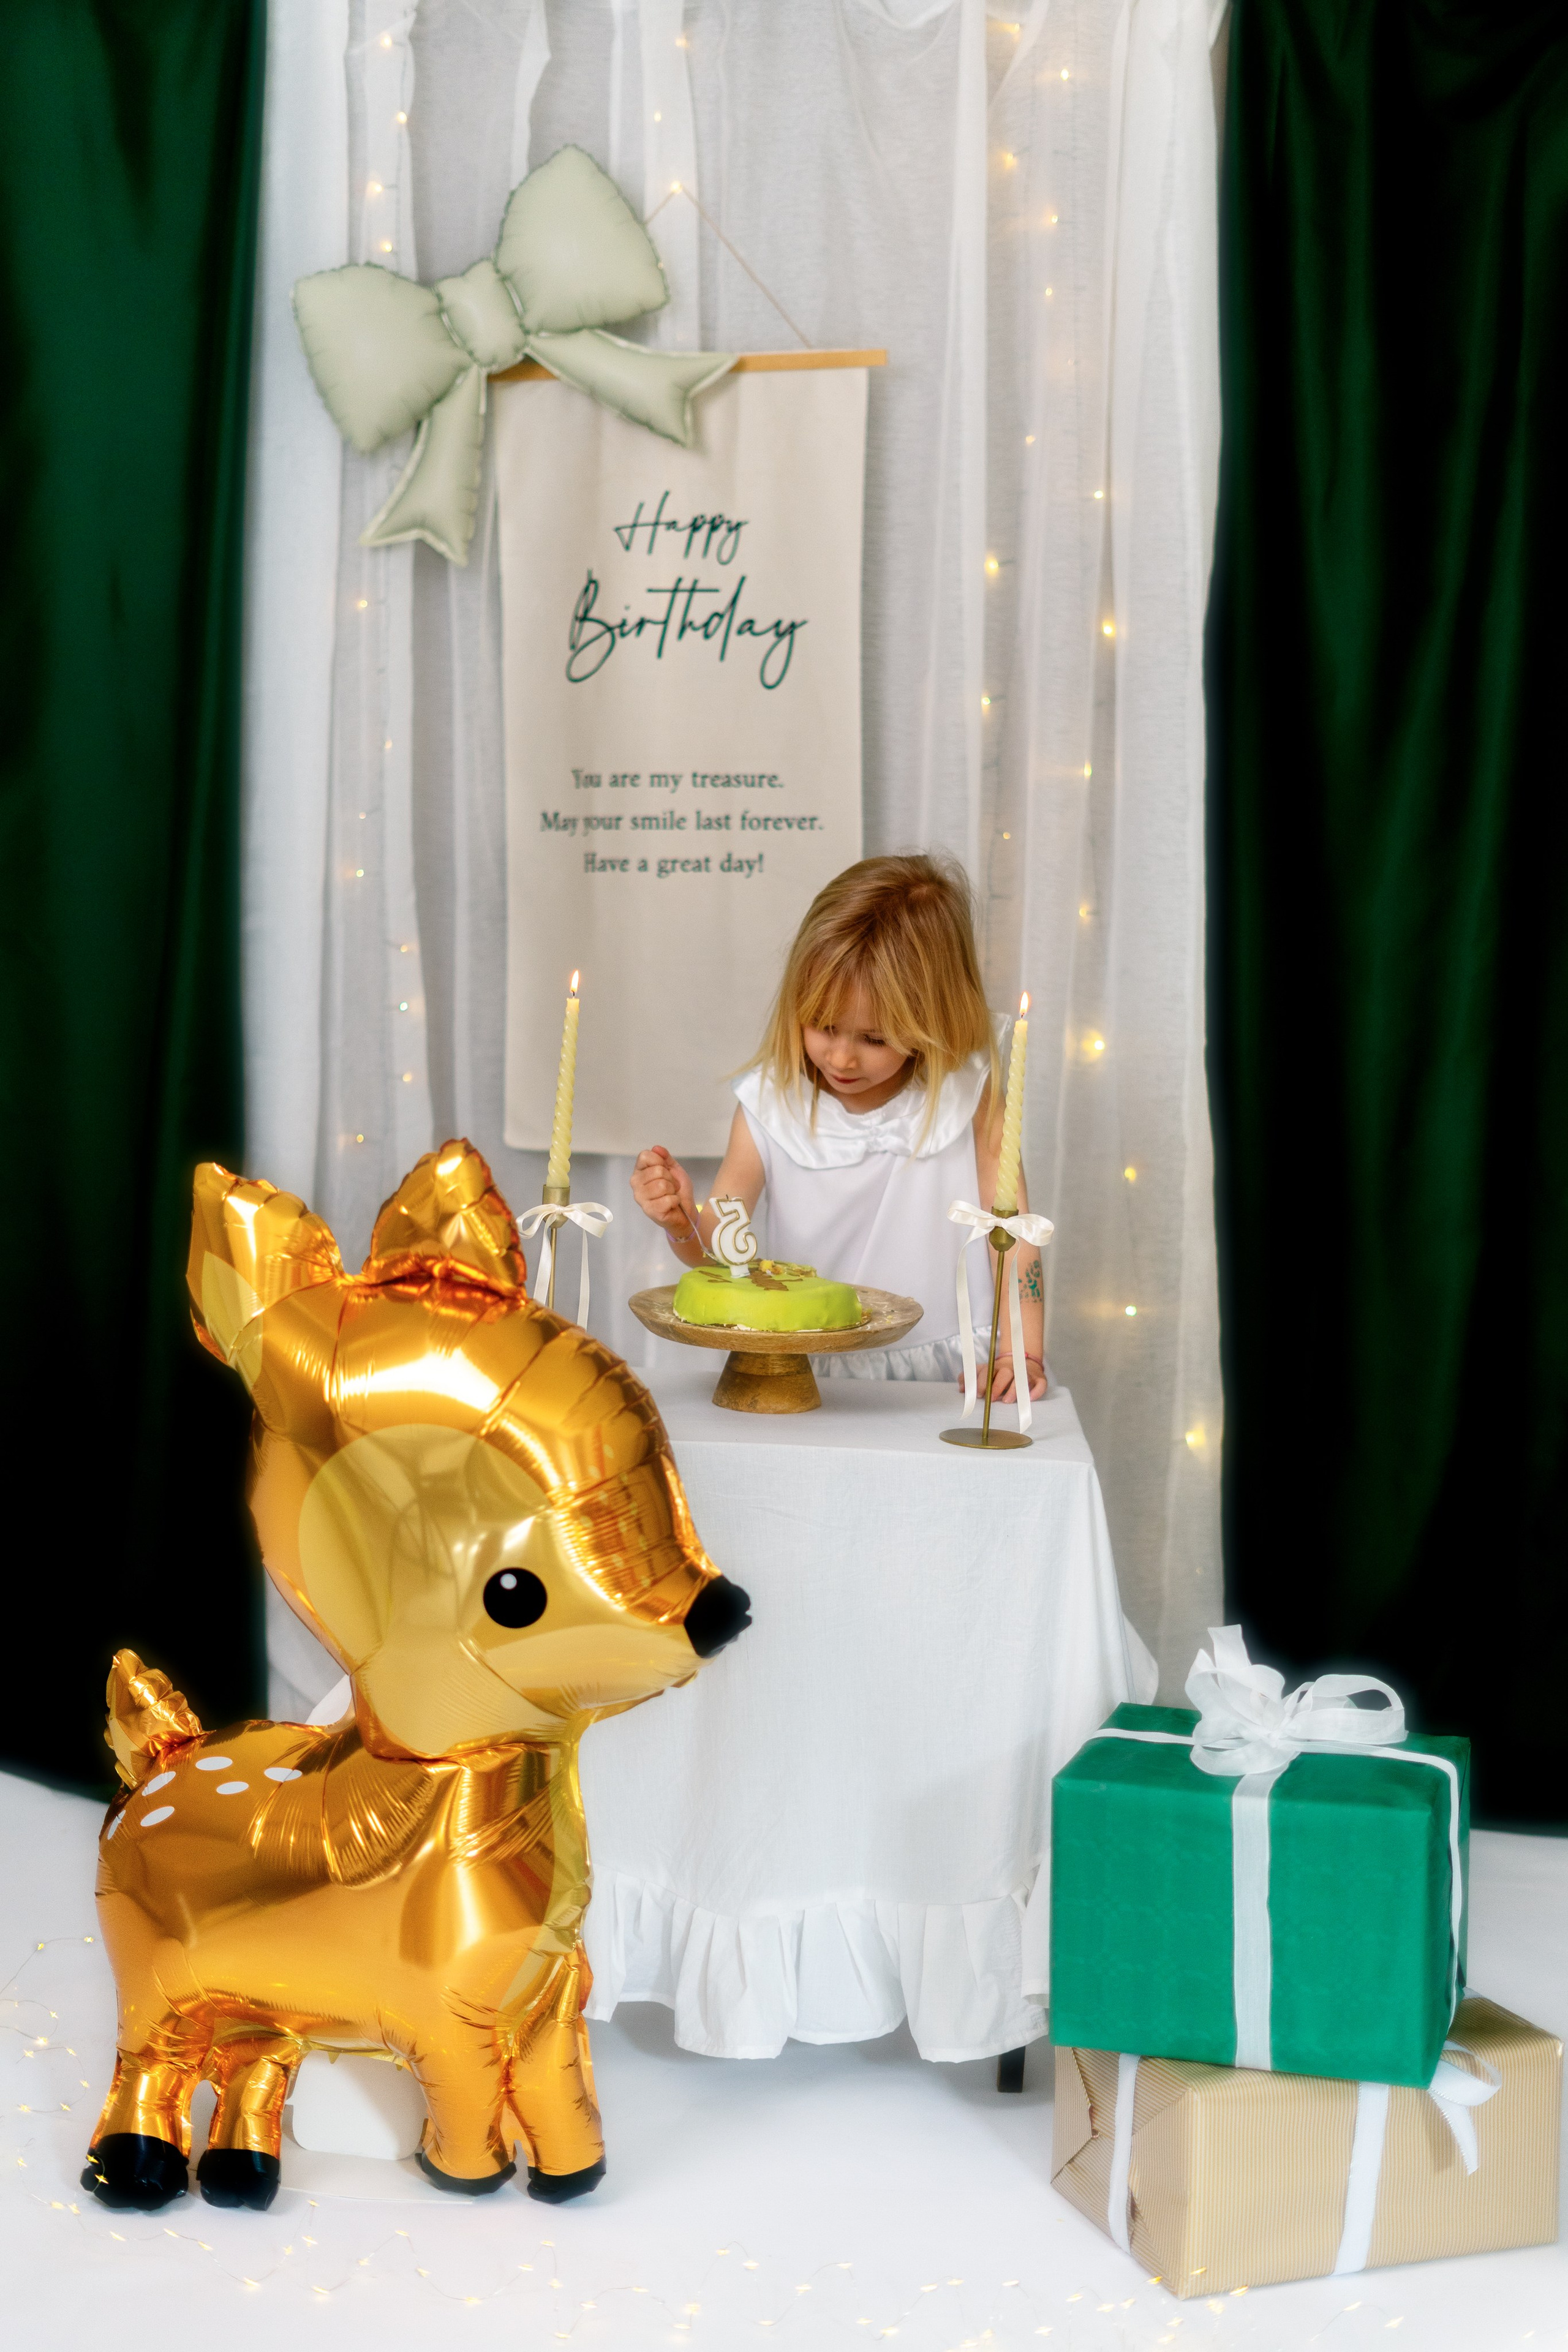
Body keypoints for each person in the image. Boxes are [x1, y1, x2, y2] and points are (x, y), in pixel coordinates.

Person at [631, 854, 1048, 1399]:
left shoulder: (968, 1096)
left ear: (934, 1018)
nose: (843, 1059)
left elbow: (1015, 1235)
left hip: (949, 1369)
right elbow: (719, 1255)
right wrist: (683, 1220)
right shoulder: (768, 1104)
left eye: (875, 1039)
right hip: (803, 1367)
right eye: (824, 1026)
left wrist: (1025, 1353)